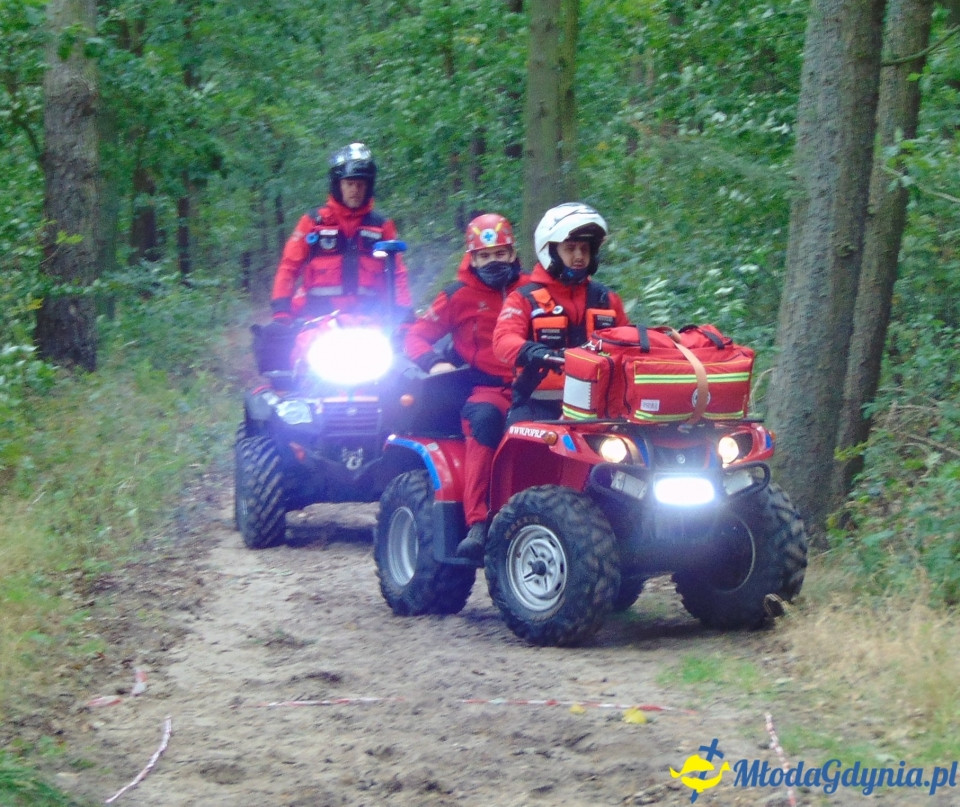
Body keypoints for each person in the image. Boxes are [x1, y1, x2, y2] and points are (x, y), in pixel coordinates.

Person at [405, 213, 529, 561]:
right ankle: (478, 523)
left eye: (500, 254)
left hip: (535, 387)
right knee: (486, 420)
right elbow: (414, 336)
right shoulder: (457, 296)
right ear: (472, 258)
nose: (493, 262)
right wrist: (434, 362)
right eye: (485, 256)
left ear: (512, 254)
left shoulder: (533, 290)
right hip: (484, 389)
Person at [493, 202, 630, 424]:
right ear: (551, 251)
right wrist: (532, 351)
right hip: (538, 406)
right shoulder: (523, 298)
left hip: (600, 408)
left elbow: (629, 343)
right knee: (523, 449)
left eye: (585, 249)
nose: (579, 256)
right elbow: (502, 341)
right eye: (570, 248)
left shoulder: (607, 299)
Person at [269, 142, 412, 326]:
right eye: (349, 184)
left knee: (402, 352)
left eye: (360, 184)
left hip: (370, 324)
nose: (355, 190)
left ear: (368, 187)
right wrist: (281, 312)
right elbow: (289, 268)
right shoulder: (313, 222)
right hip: (315, 322)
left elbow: (397, 273)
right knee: (276, 347)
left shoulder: (382, 225)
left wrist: (404, 315)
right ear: (338, 185)